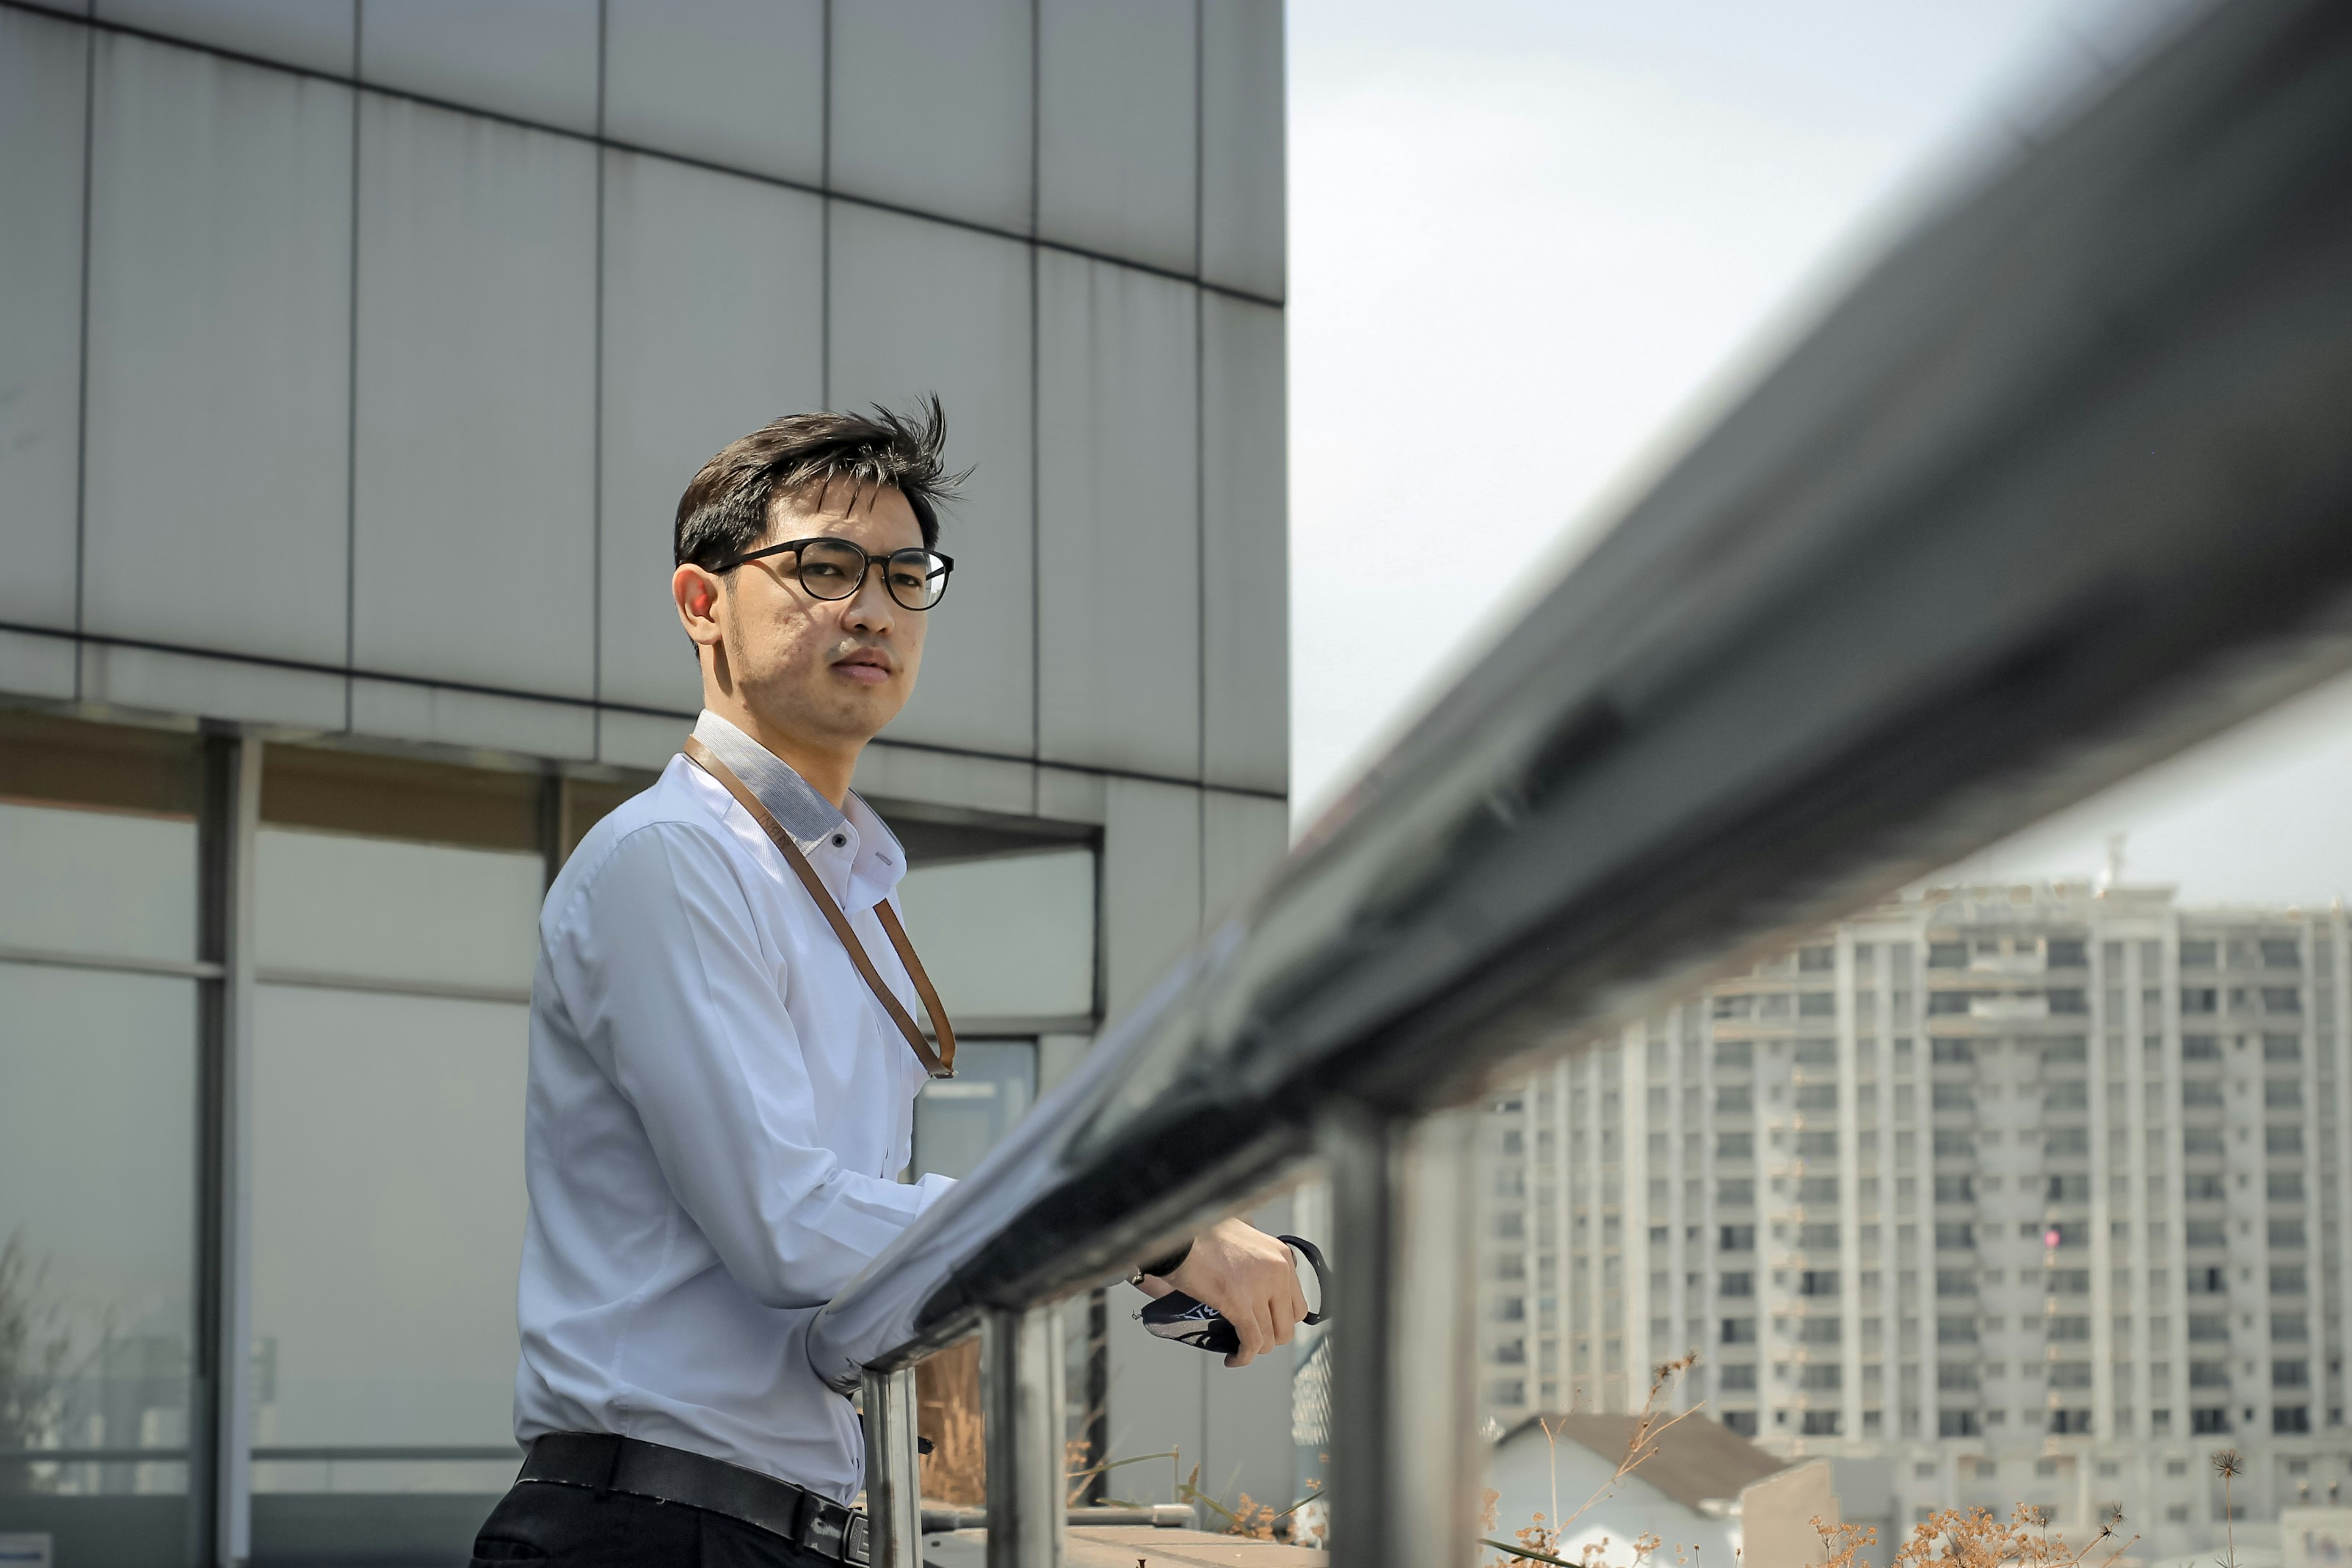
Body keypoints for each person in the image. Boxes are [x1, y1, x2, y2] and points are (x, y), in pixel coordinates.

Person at [468, 402, 1309, 1567]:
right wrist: (1144, 1227)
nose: (873, 606)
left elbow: (832, 1312)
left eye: (906, 573)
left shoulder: (842, 879)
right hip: (649, 1531)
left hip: (778, 1530)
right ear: (702, 602)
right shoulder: (673, 858)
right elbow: (788, 1227)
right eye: (824, 567)